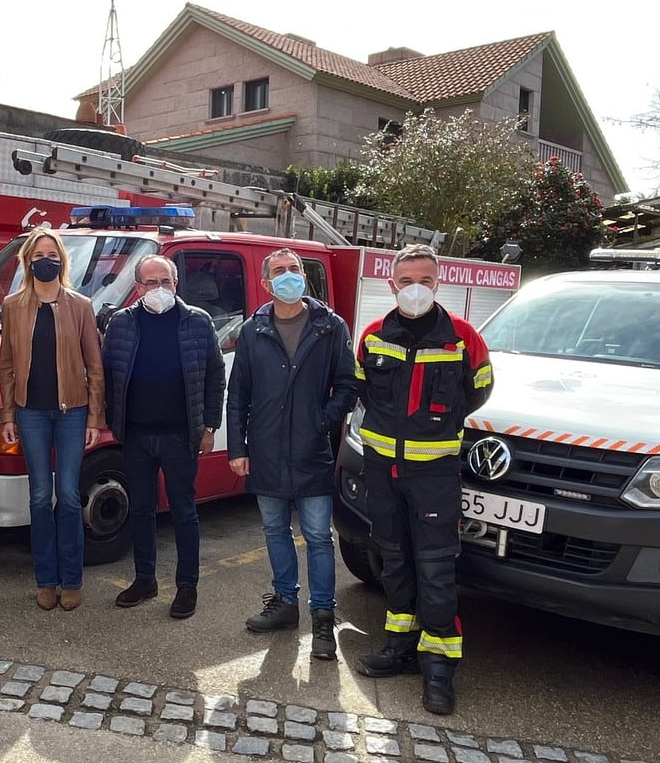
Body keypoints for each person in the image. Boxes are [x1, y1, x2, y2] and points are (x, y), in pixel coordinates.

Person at [353, 243, 493, 715]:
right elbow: (362, 389)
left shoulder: (462, 337)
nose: (415, 288)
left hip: (434, 474)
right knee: (394, 563)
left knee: (435, 570)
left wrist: (433, 431)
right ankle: (399, 646)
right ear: (392, 285)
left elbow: (478, 391)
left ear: (438, 283)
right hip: (381, 468)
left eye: (425, 280)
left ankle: (438, 666)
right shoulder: (373, 334)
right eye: (406, 280)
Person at [228, 248, 359, 660]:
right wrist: (238, 448)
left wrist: (321, 421)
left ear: (304, 276)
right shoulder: (254, 330)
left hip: (311, 449)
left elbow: (348, 385)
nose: (289, 276)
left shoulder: (329, 326)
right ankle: (285, 603)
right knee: (274, 531)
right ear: (266, 283)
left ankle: (322, 617)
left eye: (294, 269)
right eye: (279, 271)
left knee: (319, 537)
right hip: (265, 450)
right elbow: (239, 395)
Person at [101, 253, 225, 620]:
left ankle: (187, 586)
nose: (159, 289)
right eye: (151, 283)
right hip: (136, 436)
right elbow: (107, 375)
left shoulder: (197, 322)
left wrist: (209, 426)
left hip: (180, 436)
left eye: (165, 282)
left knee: (185, 512)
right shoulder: (121, 324)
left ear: (177, 284)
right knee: (140, 510)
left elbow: (215, 376)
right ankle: (145, 579)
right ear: (137, 287)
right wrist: (110, 420)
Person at [0, 228, 106, 612]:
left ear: (62, 260)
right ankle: (46, 579)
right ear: (28, 261)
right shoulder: (13, 305)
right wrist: (9, 413)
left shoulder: (80, 305)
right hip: (31, 413)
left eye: (53, 253)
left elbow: (95, 365)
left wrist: (95, 416)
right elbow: (6, 365)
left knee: (71, 497)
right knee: (41, 497)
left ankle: (72, 579)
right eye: (39, 253)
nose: (47, 259)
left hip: (73, 412)